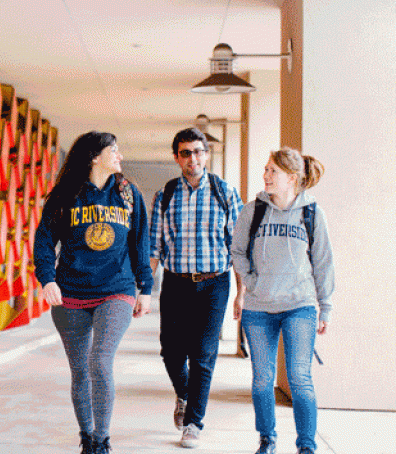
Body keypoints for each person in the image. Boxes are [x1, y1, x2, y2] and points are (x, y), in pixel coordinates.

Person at [34, 131, 154, 454]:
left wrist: (146, 287)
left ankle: (102, 440)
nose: (120, 156)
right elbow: (44, 241)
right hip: (70, 294)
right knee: (80, 371)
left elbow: (140, 243)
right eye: (113, 150)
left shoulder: (128, 194)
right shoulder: (65, 196)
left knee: (100, 361)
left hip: (116, 289)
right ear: (94, 157)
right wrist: (47, 279)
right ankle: (87, 437)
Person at [231, 148, 334, 454]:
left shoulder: (312, 213)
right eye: (266, 169)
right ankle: (267, 440)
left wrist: (326, 307)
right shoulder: (253, 211)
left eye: (272, 171)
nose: (265, 175)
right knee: (262, 380)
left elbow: (323, 262)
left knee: (300, 379)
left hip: (299, 306)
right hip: (258, 309)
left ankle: (306, 446)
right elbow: (237, 251)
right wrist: (251, 282)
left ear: (291, 178)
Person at [149, 127, 243, 448]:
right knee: (171, 352)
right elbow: (154, 248)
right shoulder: (165, 196)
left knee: (203, 354)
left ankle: (193, 423)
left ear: (206, 154)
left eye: (198, 151)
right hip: (175, 283)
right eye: (186, 153)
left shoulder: (225, 193)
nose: (193, 159)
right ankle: (184, 394)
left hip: (214, 284)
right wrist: (143, 291)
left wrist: (241, 293)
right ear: (177, 157)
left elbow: (238, 248)